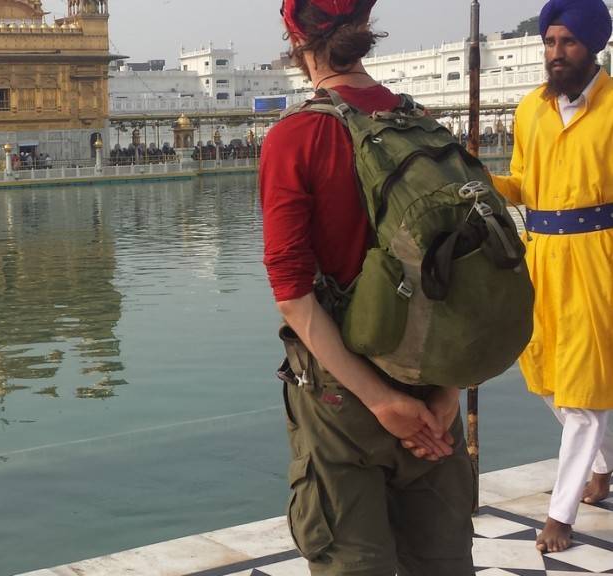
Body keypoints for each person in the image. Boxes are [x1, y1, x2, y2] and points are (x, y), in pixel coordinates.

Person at [261, 1, 474, 573]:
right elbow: (464, 272)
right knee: (443, 562)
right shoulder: (423, 122)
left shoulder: (295, 137)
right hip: (434, 384)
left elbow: (293, 294)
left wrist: (381, 403)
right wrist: (445, 395)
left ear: (297, 38)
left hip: (343, 404)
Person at [489, 0, 613, 554]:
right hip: (539, 255)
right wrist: (476, 178)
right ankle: (605, 467)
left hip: (598, 259)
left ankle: (560, 515)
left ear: (593, 47)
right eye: (549, 42)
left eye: (567, 43)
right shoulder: (529, 110)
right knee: (544, 375)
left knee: (584, 388)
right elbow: (521, 182)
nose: (555, 54)